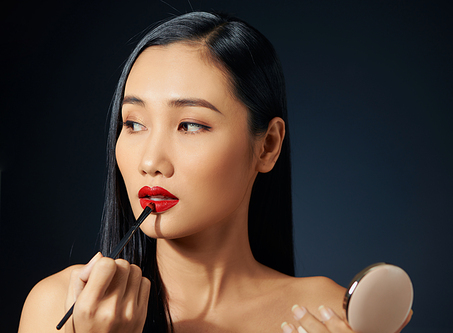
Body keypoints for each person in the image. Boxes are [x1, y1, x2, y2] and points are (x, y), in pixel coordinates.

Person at [18, 11, 411, 333]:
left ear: (268, 145)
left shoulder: (324, 314)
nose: (150, 161)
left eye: (190, 125)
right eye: (134, 123)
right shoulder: (61, 308)